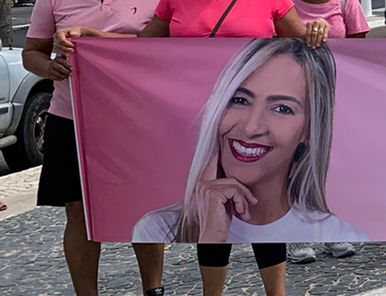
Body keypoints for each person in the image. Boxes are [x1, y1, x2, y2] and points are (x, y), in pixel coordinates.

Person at [57, 0, 332, 296]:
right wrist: (97, 40)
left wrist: (318, 28)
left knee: (261, 206)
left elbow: (301, 49)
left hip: (252, 124)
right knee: (210, 207)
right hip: (197, 122)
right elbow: (147, 47)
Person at [24, 0, 179, 296]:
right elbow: (31, 52)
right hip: (71, 117)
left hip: (138, 121)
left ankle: (154, 295)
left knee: (143, 209)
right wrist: (50, 67)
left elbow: (168, 50)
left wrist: (98, 39)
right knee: (77, 210)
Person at [131, 38, 367, 245]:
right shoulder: (159, 230)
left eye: (282, 108)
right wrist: (210, 237)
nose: (251, 127)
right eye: (240, 100)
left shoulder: (342, 235)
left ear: (309, 129)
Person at [284, 0, 368, 264]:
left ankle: (334, 233)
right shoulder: (285, 2)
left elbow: (362, 53)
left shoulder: (347, 3)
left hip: (336, 96)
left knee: (332, 167)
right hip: (293, 97)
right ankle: (297, 237)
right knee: (296, 165)